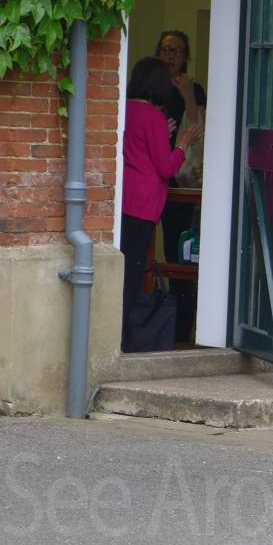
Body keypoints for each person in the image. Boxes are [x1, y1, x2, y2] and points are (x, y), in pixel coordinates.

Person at [121, 57, 203, 352]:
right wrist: (183, 143)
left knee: (123, 266)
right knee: (133, 271)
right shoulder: (153, 116)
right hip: (144, 203)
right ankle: (125, 336)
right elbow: (166, 167)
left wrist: (163, 134)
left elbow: (140, 146)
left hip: (124, 199)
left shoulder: (124, 109)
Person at [155, 30, 206, 341]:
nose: (170, 56)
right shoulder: (151, 86)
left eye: (176, 50)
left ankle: (185, 324)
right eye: (165, 50)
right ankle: (165, 321)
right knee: (166, 250)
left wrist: (187, 94)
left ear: (185, 56)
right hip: (158, 176)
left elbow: (198, 128)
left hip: (185, 180)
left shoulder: (193, 89)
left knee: (186, 250)